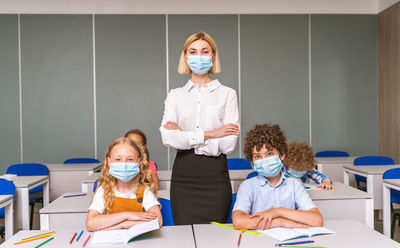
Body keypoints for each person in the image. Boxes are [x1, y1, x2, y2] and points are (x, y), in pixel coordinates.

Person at [159, 32, 240, 225]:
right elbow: (168, 138)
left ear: (213, 56)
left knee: (215, 239)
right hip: (183, 177)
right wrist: (212, 134)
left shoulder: (228, 94)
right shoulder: (175, 95)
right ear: (185, 57)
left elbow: (228, 144)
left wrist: (185, 138)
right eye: (193, 52)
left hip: (215, 177)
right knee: (184, 240)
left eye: (205, 51)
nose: (199, 56)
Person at [232, 123, 323, 230]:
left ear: (282, 155)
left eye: (269, 154)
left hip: (288, 243)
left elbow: (316, 220)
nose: (264, 160)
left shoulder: (294, 184)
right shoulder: (248, 186)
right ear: (252, 160)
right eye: (257, 156)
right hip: (258, 242)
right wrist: (280, 222)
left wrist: (277, 211)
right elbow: (238, 222)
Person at [86, 137, 162, 231]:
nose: (124, 164)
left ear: (139, 162)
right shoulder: (104, 190)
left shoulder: (144, 191)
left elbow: (158, 221)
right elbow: (90, 223)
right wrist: (127, 215)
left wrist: (123, 224)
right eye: (118, 159)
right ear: (109, 162)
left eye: (130, 159)